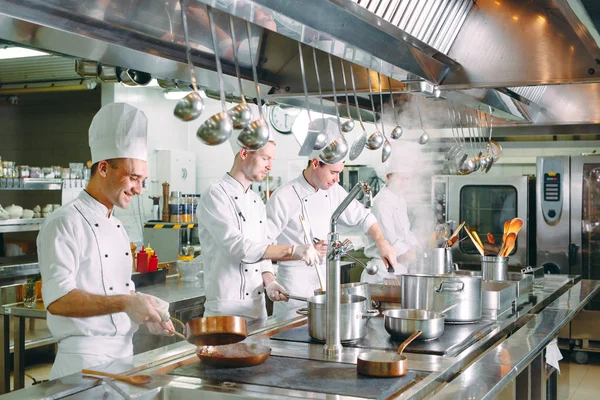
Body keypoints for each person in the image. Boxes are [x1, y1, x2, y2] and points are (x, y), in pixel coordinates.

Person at [37, 103, 173, 380]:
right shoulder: (64, 222)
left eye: (143, 180)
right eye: (133, 177)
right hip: (83, 365)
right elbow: (58, 300)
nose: (139, 189)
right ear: (103, 168)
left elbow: (115, 291)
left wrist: (144, 309)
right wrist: (125, 303)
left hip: (123, 357)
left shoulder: (117, 226)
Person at [266, 118, 396, 315]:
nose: (337, 179)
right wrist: (299, 252)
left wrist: (382, 241)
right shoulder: (283, 197)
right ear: (316, 163)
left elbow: (363, 217)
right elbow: (261, 248)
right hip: (293, 292)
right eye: (333, 172)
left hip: (324, 286)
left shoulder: (334, 190)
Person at [198, 125, 325, 320]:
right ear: (243, 153)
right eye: (265, 158)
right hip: (226, 313)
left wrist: (269, 280)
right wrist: (293, 250)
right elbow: (238, 247)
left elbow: (262, 247)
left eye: (271, 160)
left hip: (257, 310)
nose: (270, 166)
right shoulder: (216, 195)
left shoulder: (256, 200)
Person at [362, 161, 419, 283]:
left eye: (407, 178)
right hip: (383, 271)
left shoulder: (400, 198)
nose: (405, 183)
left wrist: (417, 247)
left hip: (398, 268)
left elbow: (406, 231)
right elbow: (391, 242)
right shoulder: (382, 203)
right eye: (400, 178)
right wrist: (415, 258)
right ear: (388, 177)